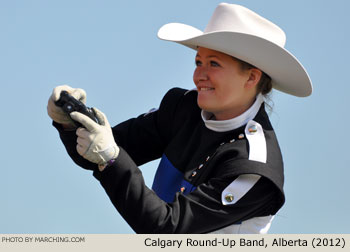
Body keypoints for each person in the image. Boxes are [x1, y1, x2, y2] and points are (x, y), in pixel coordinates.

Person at [47, 3, 312, 233]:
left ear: (252, 77)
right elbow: (98, 153)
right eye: (199, 62)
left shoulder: (254, 168)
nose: (199, 75)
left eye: (214, 64)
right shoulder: (182, 108)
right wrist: (70, 123)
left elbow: (167, 229)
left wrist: (111, 157)